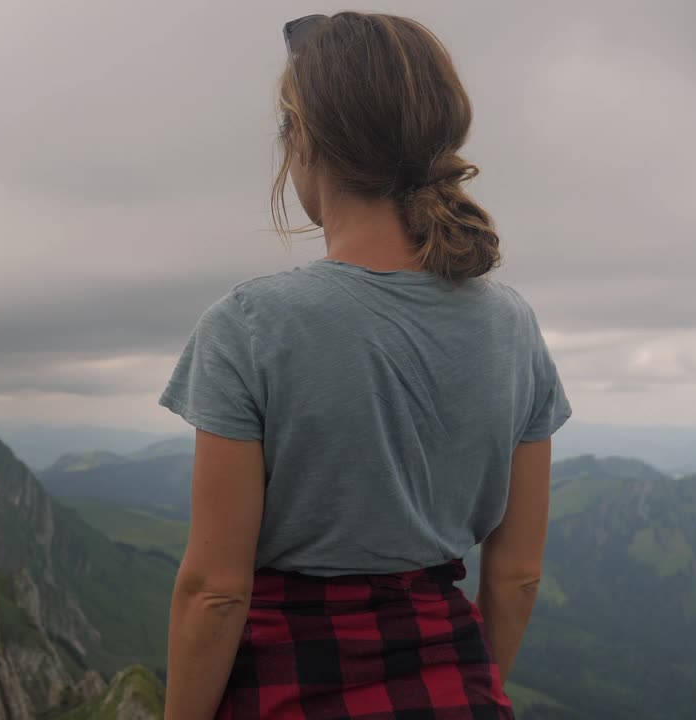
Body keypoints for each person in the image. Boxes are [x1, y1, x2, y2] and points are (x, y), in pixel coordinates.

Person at [158, 12, 570, 720]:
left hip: (286, 682)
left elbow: (216, 592)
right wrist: (472, 687)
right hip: (455, 685)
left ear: (304, 140)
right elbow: (517, 574)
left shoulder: (250, 326)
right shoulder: (513, 325)